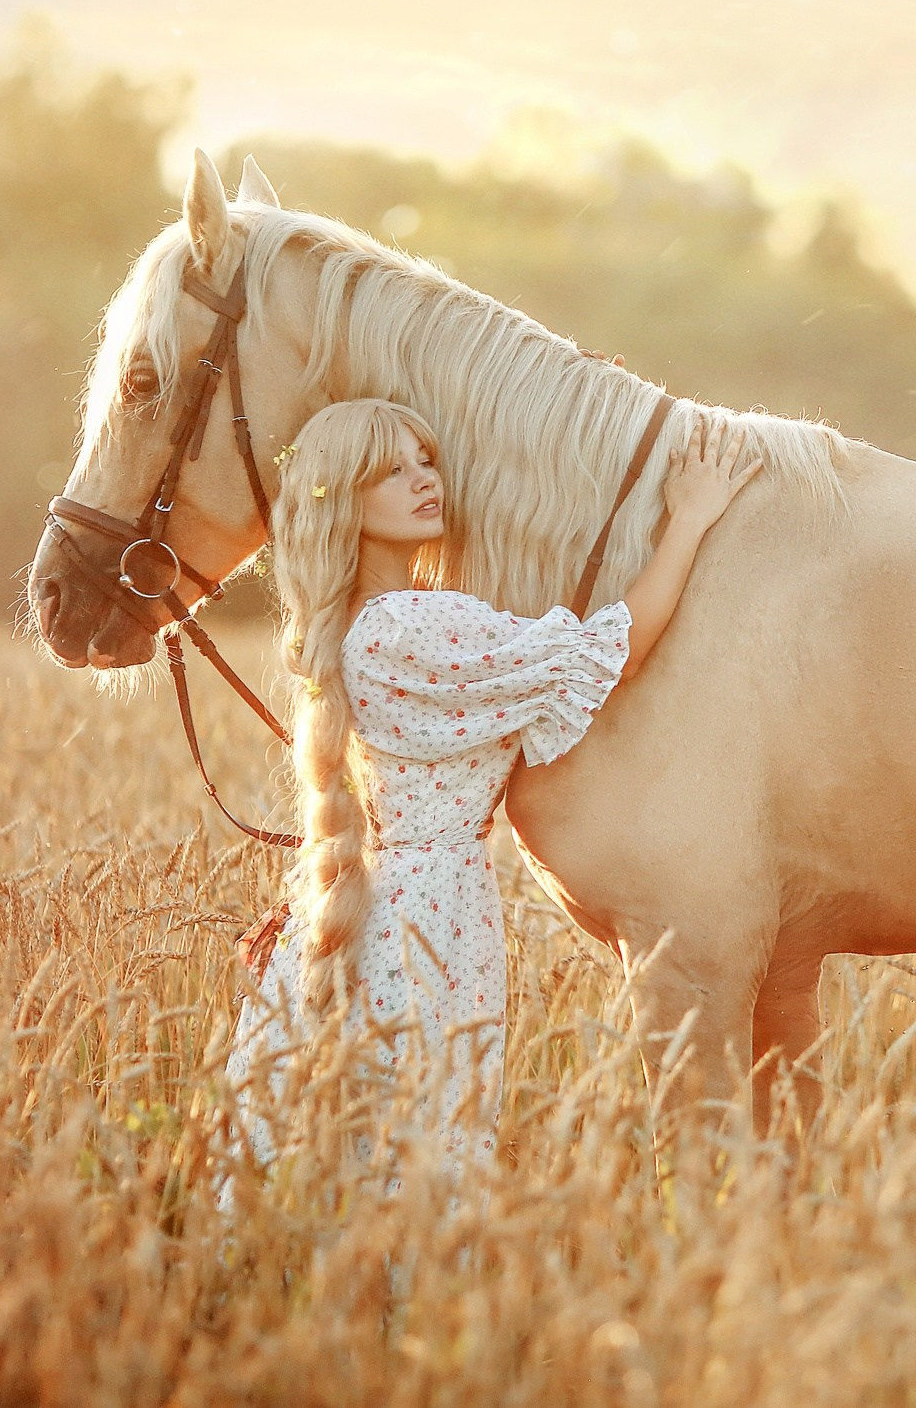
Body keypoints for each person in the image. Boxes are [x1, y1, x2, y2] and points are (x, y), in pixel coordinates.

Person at [223, 396, 760, 1176]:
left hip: (388, 907)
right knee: (423, 1152)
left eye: (425, 461)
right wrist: (690, 518)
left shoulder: (362, 623)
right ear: (342, 498)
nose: (423, 480)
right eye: (391, 471)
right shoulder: (412, 625)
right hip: (425, 929)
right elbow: (615, 648)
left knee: (364, 1154)